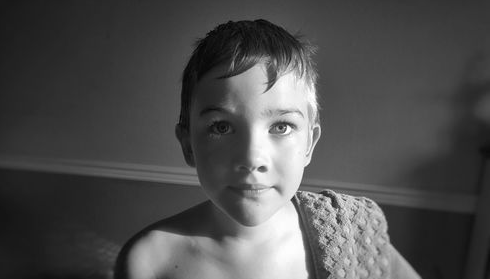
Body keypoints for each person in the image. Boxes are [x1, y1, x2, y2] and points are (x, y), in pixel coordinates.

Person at [115, 19, 420, 279]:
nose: (252, 158)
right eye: (221, 127)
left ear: (309, 144)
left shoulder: (352, 232)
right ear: (188, 145)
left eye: (281, 126)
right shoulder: (148, 261)